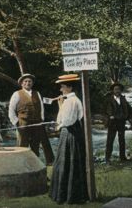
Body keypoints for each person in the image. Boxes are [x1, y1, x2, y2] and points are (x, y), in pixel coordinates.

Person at [49, 74, 89, 204]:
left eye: (63, 87)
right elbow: (62, 120)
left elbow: (67, 121)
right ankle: (64, 194)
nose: (61, 90)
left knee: (70, 162)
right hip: (68, 132)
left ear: (70, 87)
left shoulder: (72, 101)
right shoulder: (67, 100)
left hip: (71, 133)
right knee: (64, 162)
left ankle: (72, 196)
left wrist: (59, 124)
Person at [8, 73, 54, 165]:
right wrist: (16, 122)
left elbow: (41, 108)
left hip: (37, 123)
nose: (28, 83)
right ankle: (21, 166)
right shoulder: (17, 94)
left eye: (30, 81)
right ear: (22, 84)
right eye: (25, 81)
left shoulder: (37, 93)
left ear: (32, 83)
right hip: (23, 124)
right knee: (22, 146)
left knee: (35, 146)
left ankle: (35, 166)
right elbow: (11, 110)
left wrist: (41, 119)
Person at [104, 83, 131, 163]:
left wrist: (128, 117)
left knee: (122, 140)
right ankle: (107, 159)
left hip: (121, 122)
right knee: (110, 141)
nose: (117, 91)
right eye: (115, 89)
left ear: (121, 90)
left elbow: (128, 109)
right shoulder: (108, 99)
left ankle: (122, 158)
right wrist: (109, 116)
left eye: (118, 89)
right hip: (112, 123)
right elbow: (105, 110)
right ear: (113, 90)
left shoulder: (123, 99)